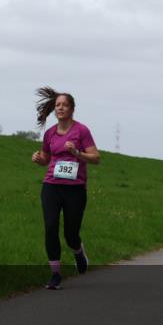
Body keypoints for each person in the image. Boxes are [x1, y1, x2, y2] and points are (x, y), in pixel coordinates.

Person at [30, 89, 100, 289]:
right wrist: (38, 159)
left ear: (72, 109)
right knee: (51, 227)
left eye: (64, 105)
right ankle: (55, 274)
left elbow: (96, 158)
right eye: (58, 105)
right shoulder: (50, 133)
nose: (60, 108)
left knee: (71, 234)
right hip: (51, 186)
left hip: (75, 189)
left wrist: (77, 153)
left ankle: (78, 251)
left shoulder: (82, 131)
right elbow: (46, 158)